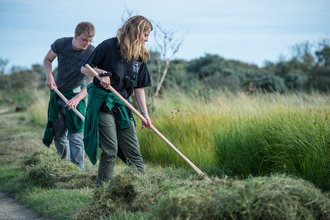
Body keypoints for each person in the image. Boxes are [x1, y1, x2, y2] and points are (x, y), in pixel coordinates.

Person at [81, 15, 152, 186]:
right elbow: (85, 68)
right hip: (102, 104)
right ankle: (102, 193)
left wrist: (144, 113)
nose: (147, 40)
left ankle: (144, 190)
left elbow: (139, 88)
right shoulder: (109, 45)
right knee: (110, 150)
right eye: (145, 35)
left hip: (122, 105)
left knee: (134, 152)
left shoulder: (140, 56)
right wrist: (102, 74)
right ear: (136, 32)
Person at [42, 22, 95, 171]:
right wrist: (49, 76)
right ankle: (63, 167)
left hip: (76, 95)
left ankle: (78, 169)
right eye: (85, 39)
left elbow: (92, 81)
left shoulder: (92, 52)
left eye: (90, 40)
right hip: (57, 94)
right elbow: (47, 60)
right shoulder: (61, 43)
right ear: (76, 36)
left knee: (76, 135)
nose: (87, 43)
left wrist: (78, 98)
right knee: (59, 135)